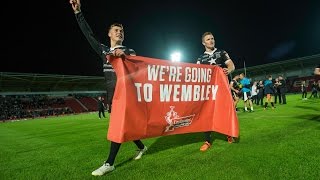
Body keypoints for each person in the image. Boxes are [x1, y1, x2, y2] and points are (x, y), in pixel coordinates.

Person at [69, 0, 147, 176]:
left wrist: (125, 56)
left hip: (127, 96)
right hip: (113, 95)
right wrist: (78, 13)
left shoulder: (130, 50)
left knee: (118, 128)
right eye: (116, 30)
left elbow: (139, 69)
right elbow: (88, 35)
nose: (119, 32)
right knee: (126, 126)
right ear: (109, 34)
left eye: (122, 31)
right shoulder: (103, 50)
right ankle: (142, 147)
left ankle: (109, 163)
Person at [196, 32, 236, 151]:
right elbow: (197, 73)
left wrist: (228, 71)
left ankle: (228, 134)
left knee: (225, 111)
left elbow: (231, 66)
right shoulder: (200, 58)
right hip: (209, 90)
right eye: (208, 39)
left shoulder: (222, 52)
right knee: (207, 113)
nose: (211, 41)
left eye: (212, 38)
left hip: (222, 89)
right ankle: (207, 140)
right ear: (203, 43)